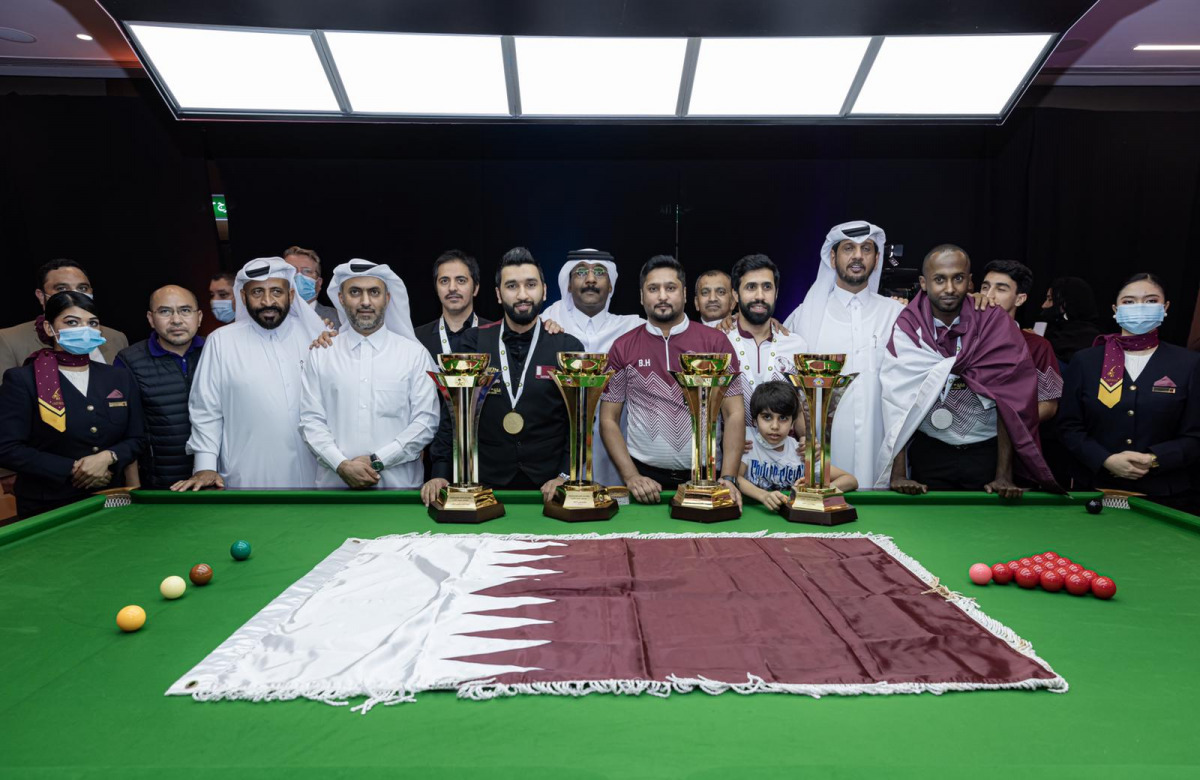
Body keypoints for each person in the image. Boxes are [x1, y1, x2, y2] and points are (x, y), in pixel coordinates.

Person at [877, 245, 1057, 497]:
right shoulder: (909, 326)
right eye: (939, 279)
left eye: (958, 278)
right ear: (924, 283)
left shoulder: (995, 322)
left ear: (970, 282)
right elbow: (898, 400)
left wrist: (1003, 475)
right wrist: (898, 474)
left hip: (986, 454)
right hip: (930, 451)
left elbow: (1009, 398)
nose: (950, 288)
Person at [422, 248, 583, 503]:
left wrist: (565, 475)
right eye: (511, 286)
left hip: (550, 486)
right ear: (498, 294)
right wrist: (440, 472)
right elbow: (452, 413)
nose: (522, 295)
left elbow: (578, 420)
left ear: (544, 289)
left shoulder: (567, 346)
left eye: (530, 285)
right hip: (486, 486)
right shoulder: (471, 342)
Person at [599, 255, 745, 505]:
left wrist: (729, 477)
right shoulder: (623, 347)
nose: (663, 296)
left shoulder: (715, 342)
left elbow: (734, 414)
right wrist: (631, 476)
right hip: (647, 483)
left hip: (709, 478)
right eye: (653, 289)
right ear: (642, 296)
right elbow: (608, 419)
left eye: (671, 288)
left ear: (686, 294)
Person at [174, 257, 327, 491]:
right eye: (257, 292)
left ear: (292, 296)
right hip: (249, 471)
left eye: (277, 291)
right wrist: (205, 466)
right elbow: (206, 408)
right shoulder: (222, 341)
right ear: (243, 298)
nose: (268, 301)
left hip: (314, 470)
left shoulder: (315, 337)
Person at [0, 291, 144, 519]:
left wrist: (108, 458)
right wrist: (75, 469)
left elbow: (137, 438)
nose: (84, 329)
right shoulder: (23, 379)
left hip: (110, 496)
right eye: (72, 322)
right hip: (47, 502)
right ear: (49, 328)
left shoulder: (118, 377)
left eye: (92, 323)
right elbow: (7, 449)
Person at [781, 221, 903, 488]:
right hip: (825, 450)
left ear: (877, 258)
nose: (858, 256)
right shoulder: (805, 317)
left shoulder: (896, 315)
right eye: (849, 248)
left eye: (866, 249)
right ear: (833, 257)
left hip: (879, 443)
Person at [1057, 273, 1200, 501]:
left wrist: (1154, 459)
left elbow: (1195, 436)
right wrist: (1105, 459)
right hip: (1094, 489)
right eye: (1129, 301)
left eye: (1151, 301)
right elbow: (1068, 426)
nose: (1140, 308)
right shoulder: (1086, 361)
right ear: (1115, 309)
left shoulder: (1188, 364)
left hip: (1165, 494)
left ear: (1166, 307)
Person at [300, 261, 438, 489]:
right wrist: (341, 465)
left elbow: (425, 422)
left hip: (399, 493)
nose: (365, 301)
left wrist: (378, 461)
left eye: (374, 292)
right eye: (355, 292)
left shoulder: (414, 355)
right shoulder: (321, 354)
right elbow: (310, 421)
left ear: (387, 298)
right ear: (341, 299)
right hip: (335, 491)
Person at [540, 248, 644, 487]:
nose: (590, 279)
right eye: (580, 273)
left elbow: (674, 331)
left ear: (610, 286)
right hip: (559, 453)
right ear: (567, 284)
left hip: (618, 449)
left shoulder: (633, 327)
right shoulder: (547, 325)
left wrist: (726, 323)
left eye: (599, 272)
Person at [114, 285, 205, 489]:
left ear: (199, 317)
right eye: (165, 311)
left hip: (216, 475)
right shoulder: (129, 360)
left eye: (185, 310)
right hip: (160, 484)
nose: (176, 320)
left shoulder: (215, 350)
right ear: (150, 318)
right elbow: (125, 430)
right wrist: (134, 490)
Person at [725, 254, 808, 442]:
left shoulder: (796, 345)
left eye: (767, 287)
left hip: (783, 463)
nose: (760, 296)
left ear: (776, 293)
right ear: (736, 294)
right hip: (732, 459)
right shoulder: (719, 343)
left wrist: (807, 440)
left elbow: (801, 407)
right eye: (751, 287)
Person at [0, 259, 128, 380]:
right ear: (41, 296)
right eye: (61, 288)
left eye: (82, 288)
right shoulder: (9, 340)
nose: (74, 295)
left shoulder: (116, 338)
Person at [738, 381, 855, 511]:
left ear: (793, 423)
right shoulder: (747, 440)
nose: (775, 426)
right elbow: (736, 478)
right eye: (767, 417)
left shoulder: (800, 450)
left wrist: (821, 489)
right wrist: (763, 495)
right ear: (755, 421)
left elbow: (850, 480)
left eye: (783, 418)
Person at [980, 260, 1062, 422]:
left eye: (1001, 289)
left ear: (1020, 299)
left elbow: (1049, 405)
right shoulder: (961, 336)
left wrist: (1009, 425)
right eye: (985, 287)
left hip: (1007, 438)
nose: (989, 295)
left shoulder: (1037, 346)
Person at [414, 250, 494, 357]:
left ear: (475, 288)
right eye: (444, 281)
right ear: (437, 289)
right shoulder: (417, 339)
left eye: (461, 280)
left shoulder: (495, 336)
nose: (452, 288)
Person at [1035, 276, 1102, 367]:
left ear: (1067, 304)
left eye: (1050, 299)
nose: (1044, 305)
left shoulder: (1095, 342)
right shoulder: (1050, 333)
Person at [283, 245, 341, 330]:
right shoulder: (271, 316)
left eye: (307, 271)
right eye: (292, 271)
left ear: (319, 283)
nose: (298, 276)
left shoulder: (339, 318)